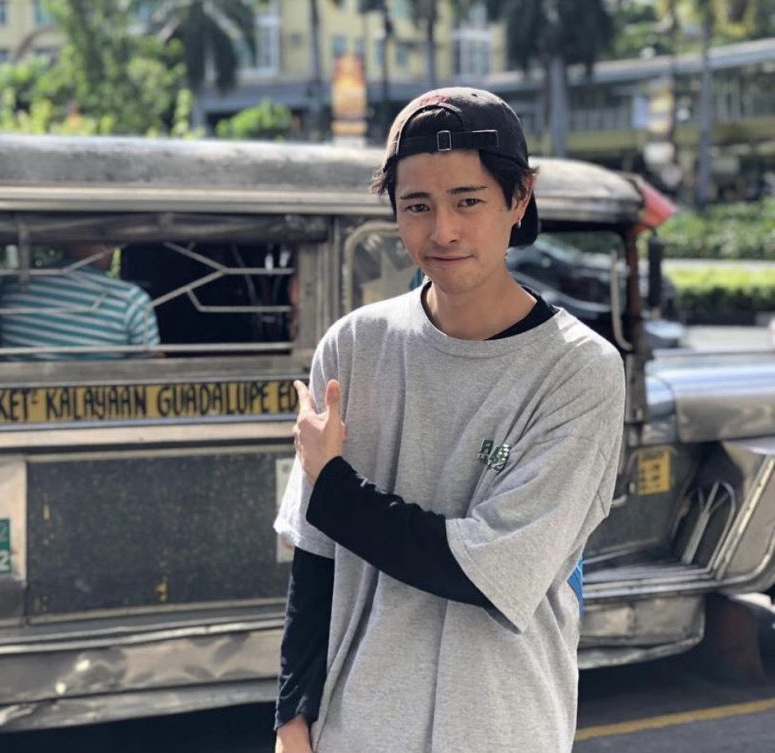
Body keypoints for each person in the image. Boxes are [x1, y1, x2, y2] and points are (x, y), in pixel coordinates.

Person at [273, 88, 626, 753]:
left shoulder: (578, 370)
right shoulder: (352, 349)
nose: (442, 231)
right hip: (358, 727)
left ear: (518, 199)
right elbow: (313, 560)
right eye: (417, 206)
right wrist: (292, 719)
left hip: (503, 726)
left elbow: (488, 569)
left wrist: (334, 486)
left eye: (468, 201)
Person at [0, 243, 160, 360]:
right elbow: (151, 367)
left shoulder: (15, 285)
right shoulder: (131, 299)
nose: (113, 247)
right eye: (104, 238)